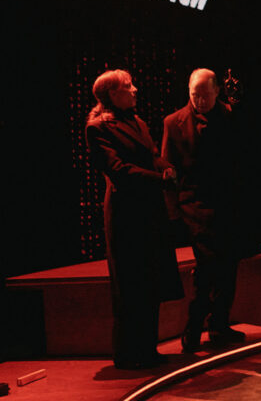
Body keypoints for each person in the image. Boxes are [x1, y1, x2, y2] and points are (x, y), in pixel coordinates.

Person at [85, 70, 183, 369]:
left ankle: (147, 349)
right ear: (113, 94)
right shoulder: (98, 128)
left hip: (149, 211)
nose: (135, 90)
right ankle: (129, 354)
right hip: (126, 216)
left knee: (150, 281)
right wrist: (159, 180)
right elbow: (118, 170)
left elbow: (151, 155)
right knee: (131, 284)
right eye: (128, 86)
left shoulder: (137, 122)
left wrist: (167, 168)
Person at [163, 68, 245, 352]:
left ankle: (219, 324)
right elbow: (168, 167)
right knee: (208, 266)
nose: (199, 100)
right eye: (194, 95)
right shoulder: (173, 122)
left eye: (205, 95)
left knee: (229, 266)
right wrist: (173, 211)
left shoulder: (230, 115)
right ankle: (195, 323)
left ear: (217, 91)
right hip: (194, 206)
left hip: (227, 204)